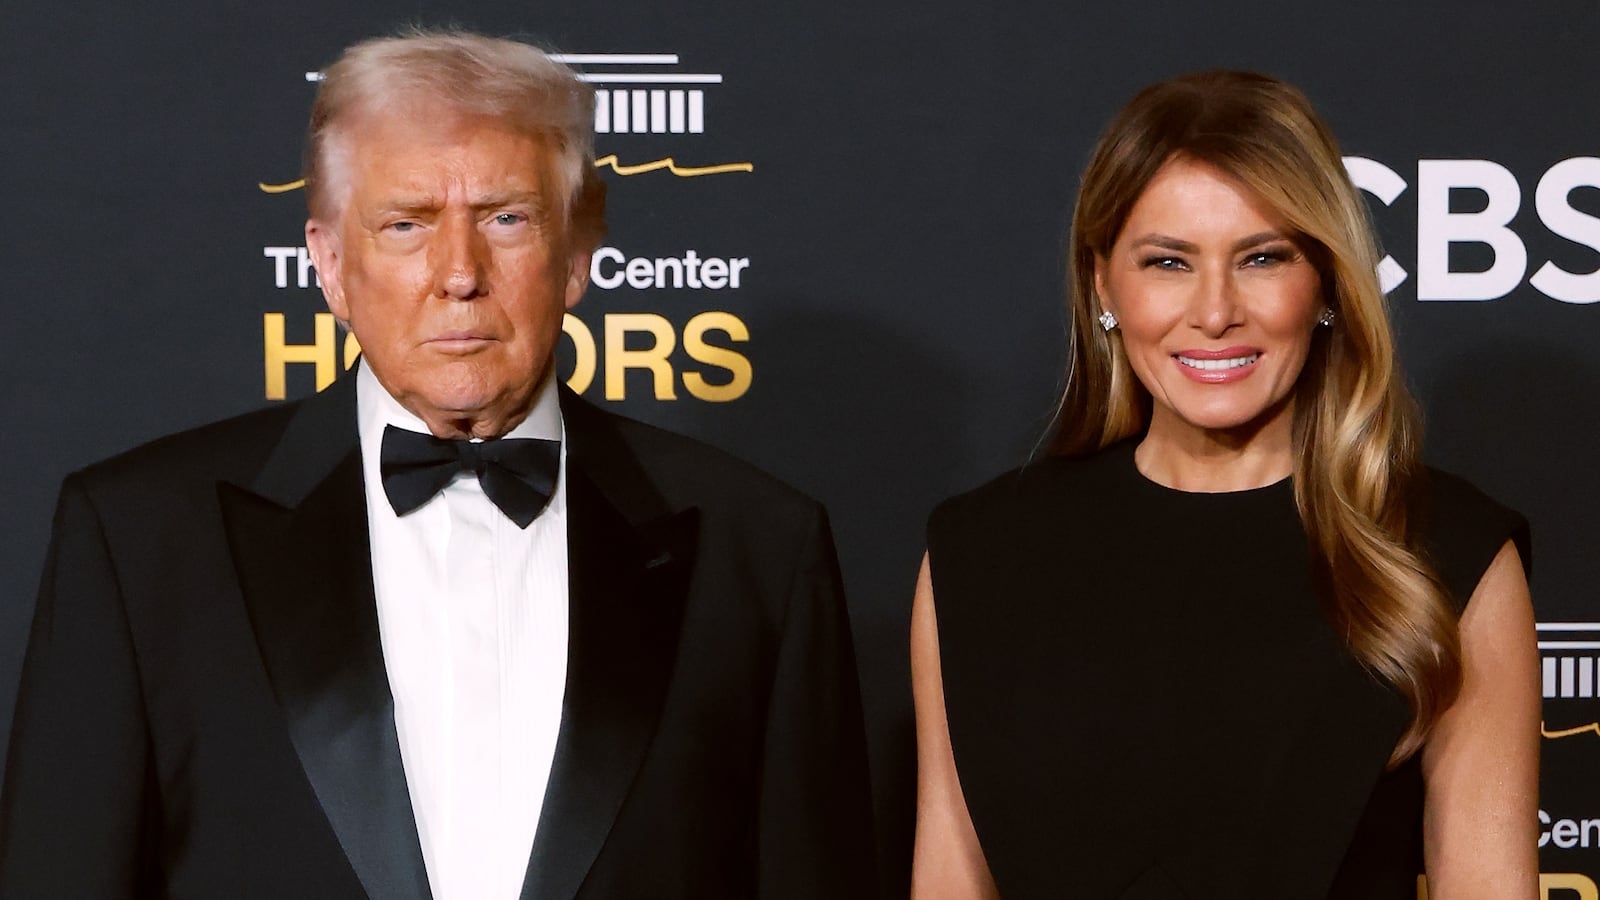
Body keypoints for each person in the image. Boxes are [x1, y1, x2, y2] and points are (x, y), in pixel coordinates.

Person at [0, 29, 876, 900]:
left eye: (505, 217)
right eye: (407, 224)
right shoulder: (141, 541)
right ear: (331, 266)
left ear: (578, 251)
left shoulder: (758, 550)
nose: (460, 273)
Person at [910, 71, 1538, 900]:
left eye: (1262, 258)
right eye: (1168, 261)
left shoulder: (1441, 553)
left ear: (1324, 283)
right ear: (1104, 285)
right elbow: (951, 878)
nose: (1214, 312)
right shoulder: (980, 555)